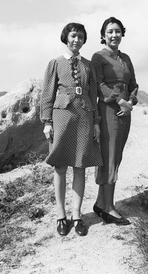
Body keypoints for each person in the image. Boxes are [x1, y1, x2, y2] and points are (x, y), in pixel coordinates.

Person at [40, 22, 103, 237]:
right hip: (62, 116)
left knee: (80, 166)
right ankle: (60, 215)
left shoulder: (88, 65)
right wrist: (47, 121)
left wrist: (96, 121)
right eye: (73, 36)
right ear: (66, 38)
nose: (77, 40)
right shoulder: (55, 63)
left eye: (81, 37)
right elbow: (47, 94)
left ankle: (76, 215)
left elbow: (93, 94)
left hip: (84, 116)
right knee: (59, 166)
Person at [91, 16, 138, 225]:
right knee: (108, 156)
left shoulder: (126, 58)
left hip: (124, 113)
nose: (114, 35)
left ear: (122, 34)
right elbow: (99, 85)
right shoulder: (98, 57)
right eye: (109, 31)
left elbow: (134, 84)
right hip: (109, 110)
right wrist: (119, 100)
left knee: (115, 156)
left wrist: (131, 101)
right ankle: (109, 208)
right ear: (103, 35)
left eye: (117, 31)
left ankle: (101, 202)